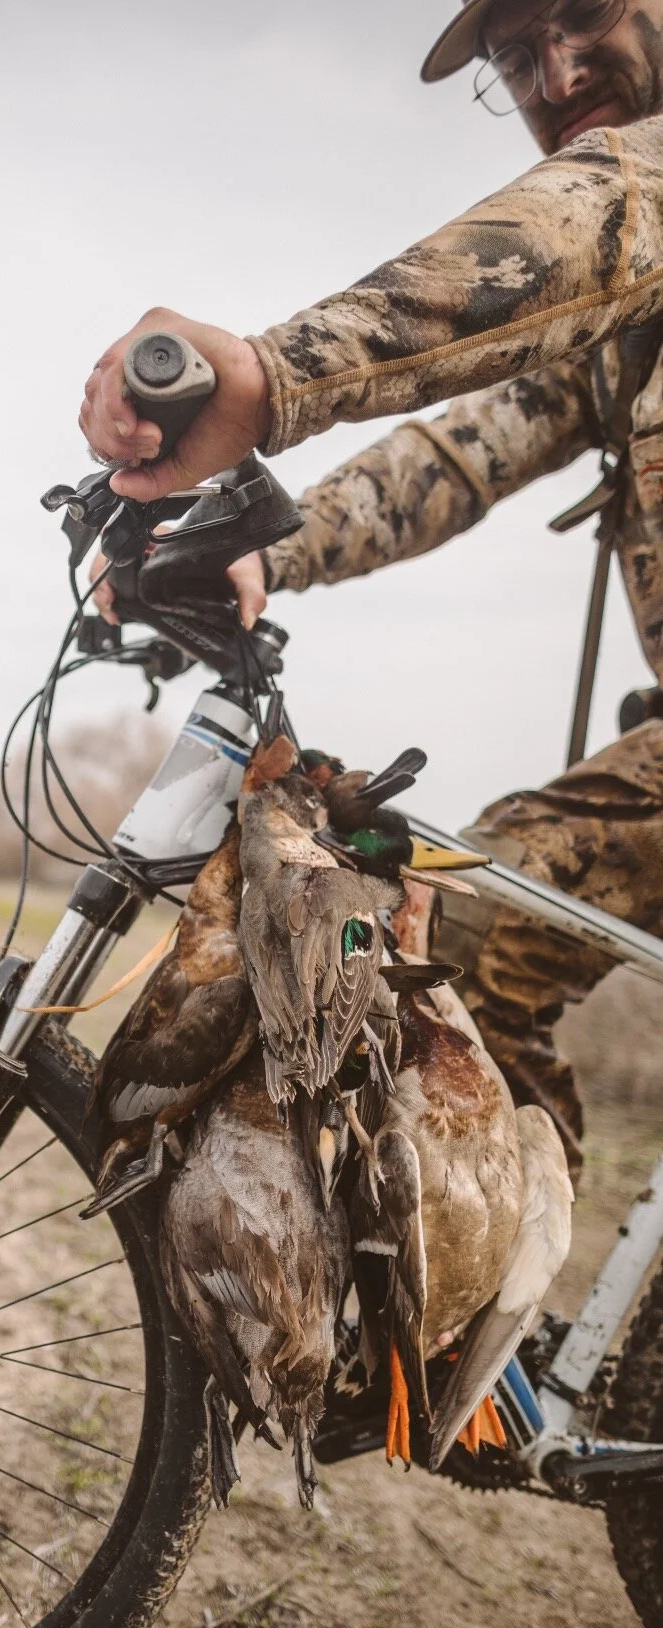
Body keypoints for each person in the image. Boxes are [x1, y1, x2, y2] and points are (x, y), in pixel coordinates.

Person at [80, 0, 663, 1185]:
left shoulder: (630, 200)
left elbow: (597, 210)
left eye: (585, 12)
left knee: (460, 928)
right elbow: (456, 454)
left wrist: (271, 373)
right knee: (449, 944)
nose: (554, 71)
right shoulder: (623, 336)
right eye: (513, 56)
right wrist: (258, 549)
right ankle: (517, 1292)